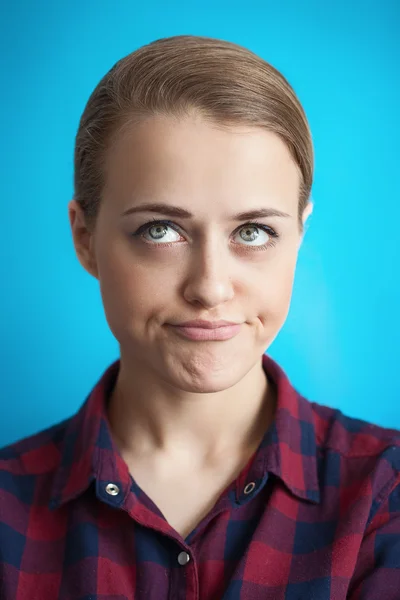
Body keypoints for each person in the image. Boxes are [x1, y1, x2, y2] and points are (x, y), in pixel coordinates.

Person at [1, 34, 399, 600]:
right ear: (85, 238)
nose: (210, 286)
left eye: (254, 232)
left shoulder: (386, 495)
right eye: (160, 230)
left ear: (299, 235)